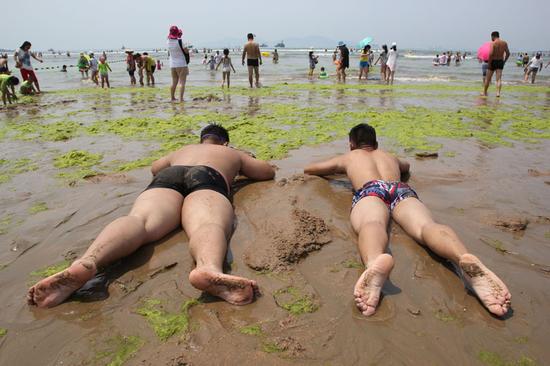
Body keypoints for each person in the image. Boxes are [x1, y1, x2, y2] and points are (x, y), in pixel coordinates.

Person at [27, 124, 276, 309]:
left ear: (201, 139)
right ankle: (208, 268)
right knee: (207, 223)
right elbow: (266, 172)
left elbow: (156, 168)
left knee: (140, 221)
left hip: (170, 176)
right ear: (223, 142)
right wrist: (242, 158)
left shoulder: (183, 149)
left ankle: (87, 261)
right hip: (208, 176)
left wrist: (177, 160)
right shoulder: (230, 152)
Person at [303, 123, 511, 317]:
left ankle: (375, 261)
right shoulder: (388, 156)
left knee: (372, 223)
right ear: (376, 144)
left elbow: (311, 169)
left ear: (351, 144)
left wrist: (343, 169)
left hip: (371, 189)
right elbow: (407, 165)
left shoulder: (350, 156)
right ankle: (463, 256)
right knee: (426, 226)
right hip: (399, 189)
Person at [482, 31, 510, 97]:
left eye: (491, 37)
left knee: (488, 78)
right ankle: (498, 93)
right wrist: (504, 61)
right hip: (500, 61)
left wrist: (489, 63)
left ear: (493, 36)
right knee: (499, 79)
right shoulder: (504, 43)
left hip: (493, 61)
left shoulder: (493, 43)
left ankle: (485, 92)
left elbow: (491, 54)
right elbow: (508, 53)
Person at [167, 25, 190, 102]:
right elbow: (186, 51)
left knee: (174, 82)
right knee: (182, 82)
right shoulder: (179, 41)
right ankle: (181, 99)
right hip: (181, 64)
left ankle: (172, 98)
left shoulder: (168, 41)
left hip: (172, 64)